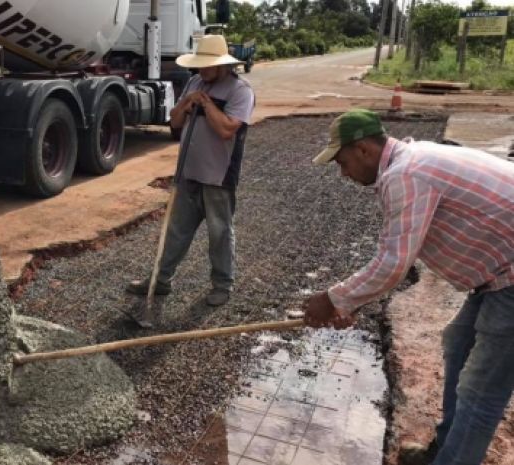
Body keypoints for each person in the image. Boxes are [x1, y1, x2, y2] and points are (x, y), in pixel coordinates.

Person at [302, 109, 514, 465]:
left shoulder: (407, 173)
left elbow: (394, 263)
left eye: (343, 162)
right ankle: (445, 449)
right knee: (458, 342)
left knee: (480, 392)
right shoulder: (411, 161)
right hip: (497, 275)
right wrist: (347, 305)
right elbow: (395, 255)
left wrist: (334, 299)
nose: (343, 173)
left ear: (365, 150)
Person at [126, 35, 254, 308]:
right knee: (176, 231)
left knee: (220, 233)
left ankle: (223, 285)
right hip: (188, 172)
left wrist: (207, 105)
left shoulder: (239, 91)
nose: (202, 71)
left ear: (223, 66)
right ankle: (160, 281)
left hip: (218, 177)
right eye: (200, 65)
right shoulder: (195, 83)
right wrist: (187, 103)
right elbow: (174, 121)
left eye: (208, 66)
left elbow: (226, 129)